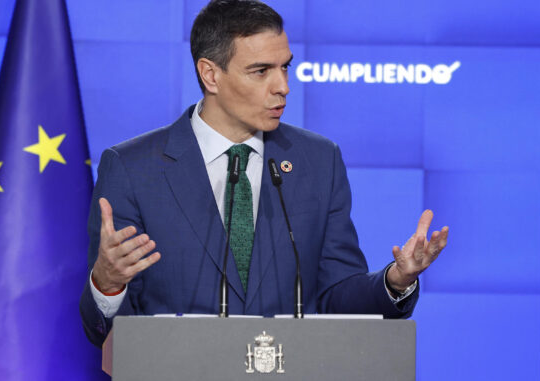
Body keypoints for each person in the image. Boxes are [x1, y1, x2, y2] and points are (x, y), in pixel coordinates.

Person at [79, 0, 449, 347]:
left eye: (285, 66)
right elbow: (111, 336)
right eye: (261, 71)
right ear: (210, 75)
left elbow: (337, 297)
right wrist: (108, 286)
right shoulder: (133, 168)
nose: (283, 87)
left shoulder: (318, 161)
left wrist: (394, 282)